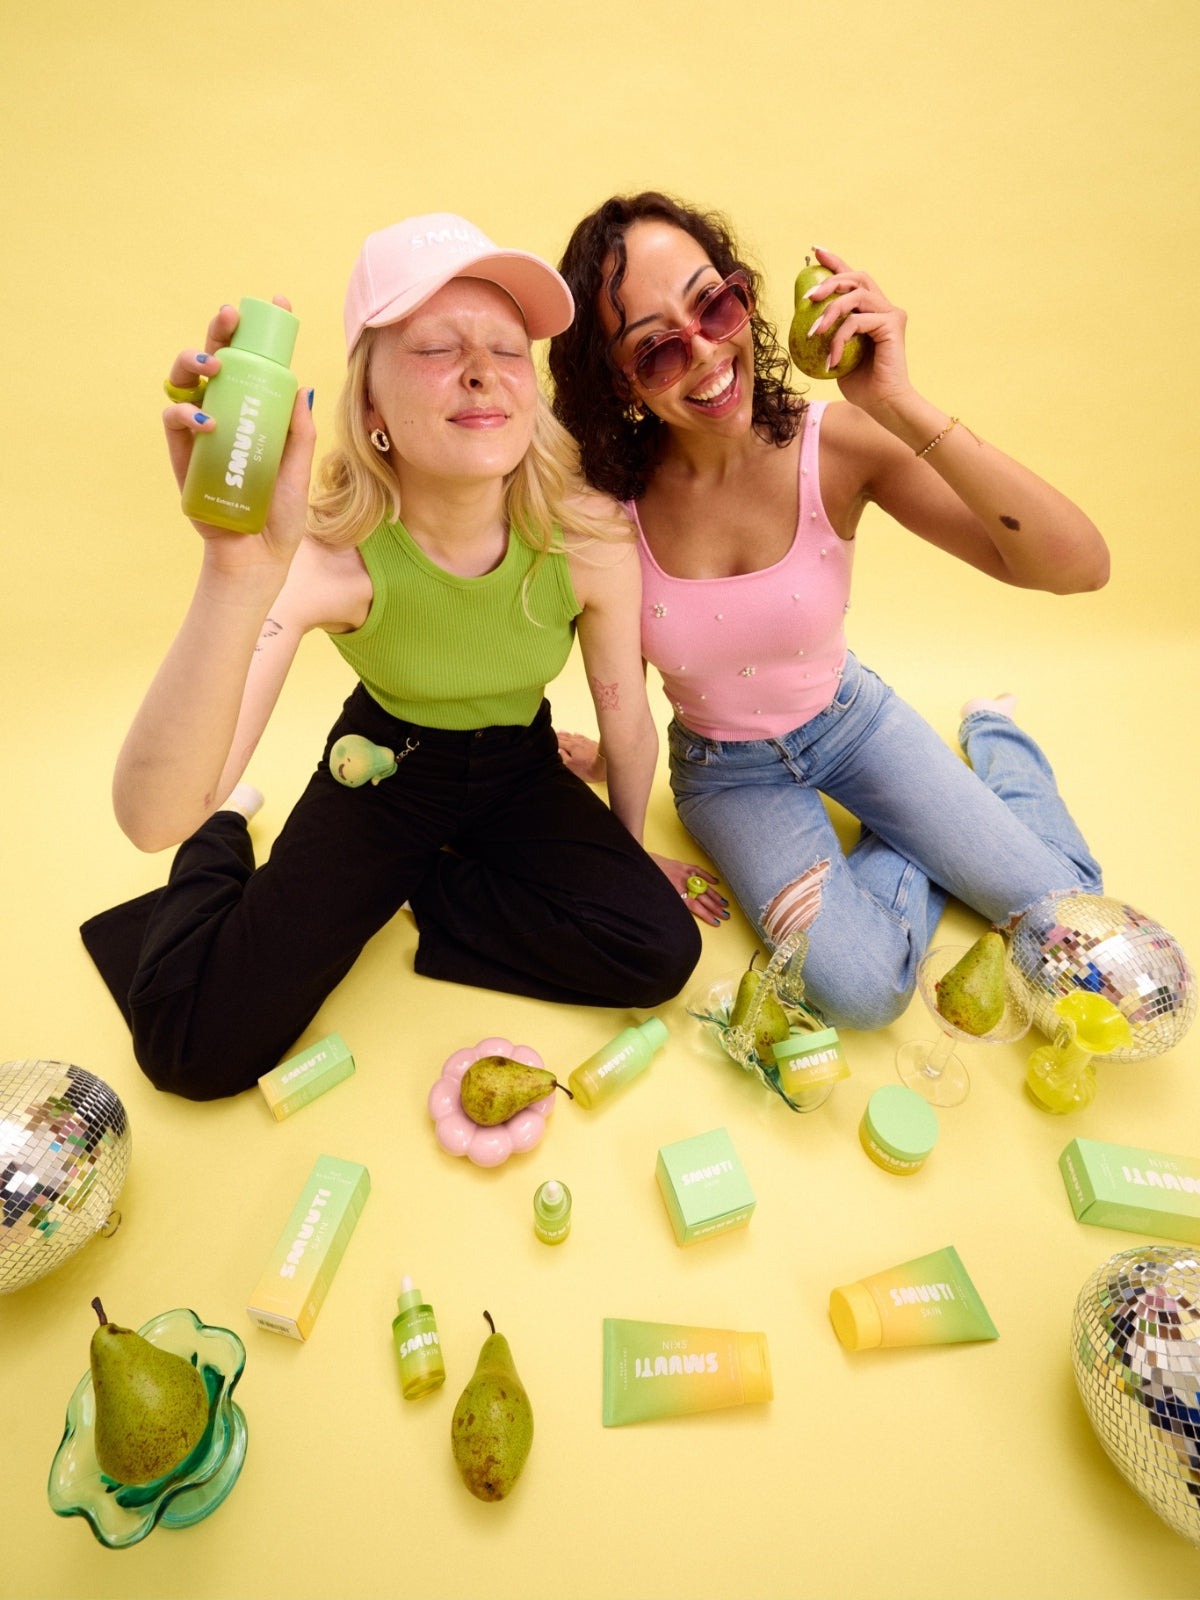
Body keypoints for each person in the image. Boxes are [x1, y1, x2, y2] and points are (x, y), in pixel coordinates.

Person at [81, 212, 701, 1101]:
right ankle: (227, 845)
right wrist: (234, 571)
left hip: (518, 767)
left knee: (657, 949)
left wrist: (631, 852)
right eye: (435, 349)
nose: (483, 370)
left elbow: (628, 721)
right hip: (382, 767)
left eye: (506, 348)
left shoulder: (589, 534)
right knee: (191, 1048)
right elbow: (150, 818)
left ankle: (424, 884)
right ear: (370, 405)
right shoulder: (326, 559)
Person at [549, 191, 1107, 1031]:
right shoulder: (606, 511)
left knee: (1067, 923)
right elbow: (581, 667)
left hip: (853, 720)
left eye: (715, 303)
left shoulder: (837, 446)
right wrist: (574, 757)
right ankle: (949, 824)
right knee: (861, 992)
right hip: (725, 775)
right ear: (616, 382)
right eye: (657, 350)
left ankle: (995, 743)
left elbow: (1077, 569)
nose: (705, 352)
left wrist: (900, 404)